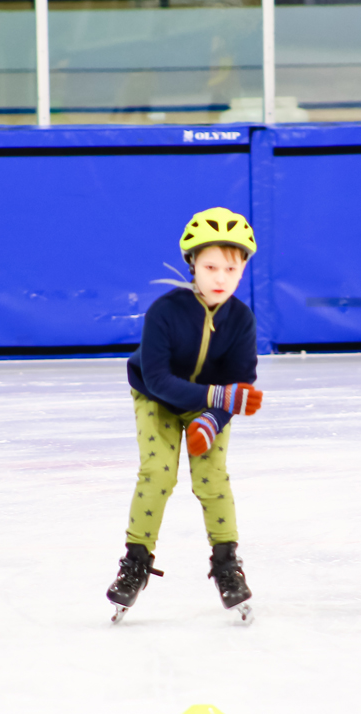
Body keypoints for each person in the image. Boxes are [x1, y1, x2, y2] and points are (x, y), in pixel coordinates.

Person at [105, 207, 264, 622]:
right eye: (210, 267)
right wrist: (219, 396)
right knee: (158, 472)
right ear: (192, 264)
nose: (220, 278)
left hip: (207, 407)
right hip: (156, 398)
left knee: (212, 478)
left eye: (231, 268)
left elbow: (239, 387)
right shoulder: (165, 311)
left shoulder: (241, 320)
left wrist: (212, 419)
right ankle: (136, 562)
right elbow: (158, 378)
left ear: (243, 269)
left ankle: (227, 563)